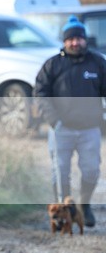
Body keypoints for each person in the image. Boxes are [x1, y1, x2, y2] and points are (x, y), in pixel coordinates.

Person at [35, 15, 106, 227]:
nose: (75, 42)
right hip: (60, 129)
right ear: (65, 41)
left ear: (85, 39)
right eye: (71, 39)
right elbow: (40, 92)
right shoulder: (53, 65)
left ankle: (84, 206)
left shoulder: (98, 63)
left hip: (89, 129)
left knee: (92, 171)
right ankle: (63, 212)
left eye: (79, 38)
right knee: (60, 172)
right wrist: (53, 120)